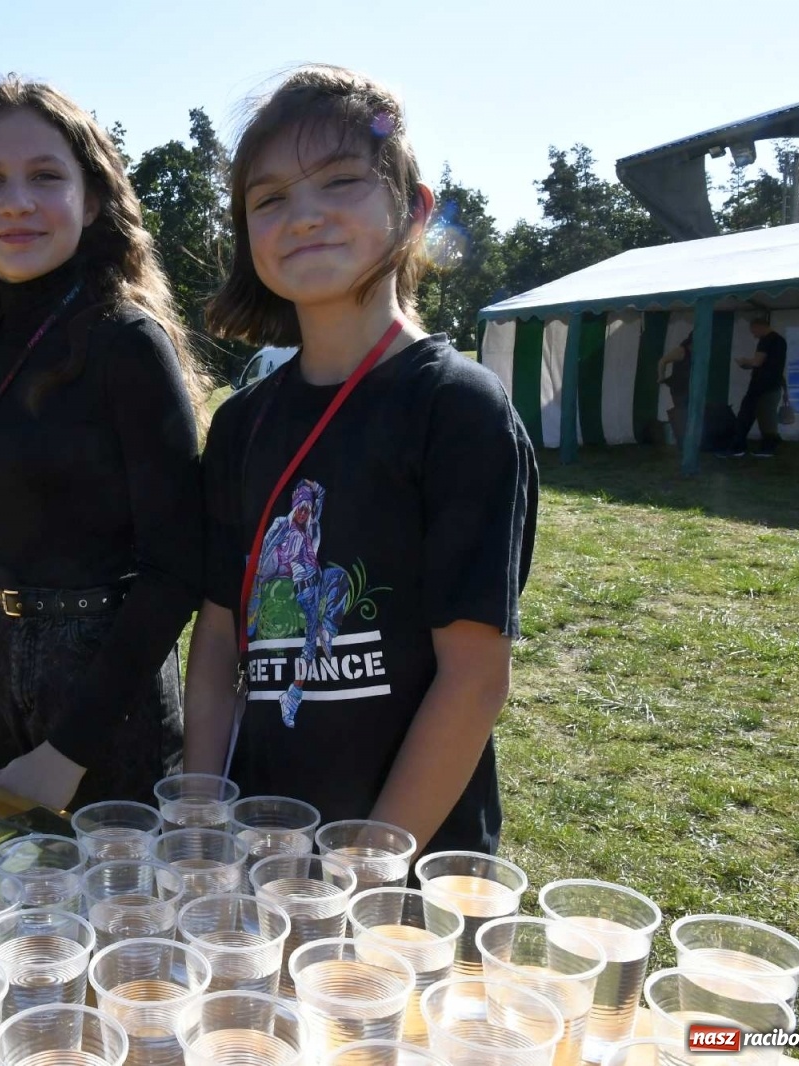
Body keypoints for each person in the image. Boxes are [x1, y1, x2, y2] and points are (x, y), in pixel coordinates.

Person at [182, 66, 539, 858]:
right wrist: (202, 815)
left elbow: (474, 679)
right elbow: (218, 639)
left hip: (403, 869)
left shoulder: (459, 409)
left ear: (414, 209)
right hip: (258, 847)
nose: (304, 214)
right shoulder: (241, 424)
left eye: (341, 181)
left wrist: (366, 866)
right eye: (270, 198)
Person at [0, 76, 208, 811]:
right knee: (3, 879)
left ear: (93, 200)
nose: (16, 201)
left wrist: (66, 755)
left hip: (105, 695)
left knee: (109, 886)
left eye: (46, 176)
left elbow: (176, 571)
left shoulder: (128, 343)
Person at [728, 315, 787, 458]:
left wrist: (744, 361)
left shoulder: (766, 340)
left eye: (754, 331)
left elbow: (757, 362)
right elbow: (772, 365)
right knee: (767, 417)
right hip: (773, 385)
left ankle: (744, 446)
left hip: (761, 386)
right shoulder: (780, 341)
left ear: (759, 327)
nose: (754, 335)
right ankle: (768, 445)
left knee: (748, 415)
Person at [658, 332, 694, 442]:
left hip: (690, 390)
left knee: (689, 416)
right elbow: (662, 361)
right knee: (682, 415)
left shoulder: (697, 353)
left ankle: (687, 440)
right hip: (680, 390)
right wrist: (661, 377)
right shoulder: (682, 351)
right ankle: (683, 441)